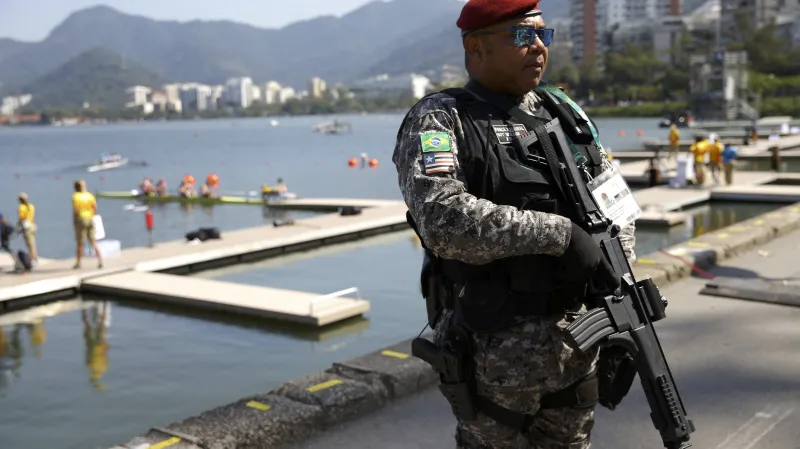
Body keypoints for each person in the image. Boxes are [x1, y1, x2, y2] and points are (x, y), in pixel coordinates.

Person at [392, 1, 635, 447]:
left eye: (545, 35)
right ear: (476, 47)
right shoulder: (440, 119)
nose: (539, 47)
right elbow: (443, 219)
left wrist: (617, 264)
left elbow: (615, 200)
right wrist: (562, 236)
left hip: (577, 350)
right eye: (523, 36)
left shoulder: (563, 113)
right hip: (494, 360)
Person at [72, 180, 103, 269]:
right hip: (90, 218)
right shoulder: (90, 196)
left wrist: (75, 222)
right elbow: (94, 207)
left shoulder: (76, 196)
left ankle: (78, 262)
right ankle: (100, 260)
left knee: (80, 243)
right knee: (93, 241)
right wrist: (93, 216)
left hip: (81, 219)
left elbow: (76, 210)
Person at [17, 193, 37, 265]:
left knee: (30, 244)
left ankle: (32, 260)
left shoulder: (22, 207)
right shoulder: (31, 206)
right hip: (33, 225)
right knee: (33, 243)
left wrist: (18, 226)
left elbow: (21, 218)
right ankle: (34, 259)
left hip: (27, 227)